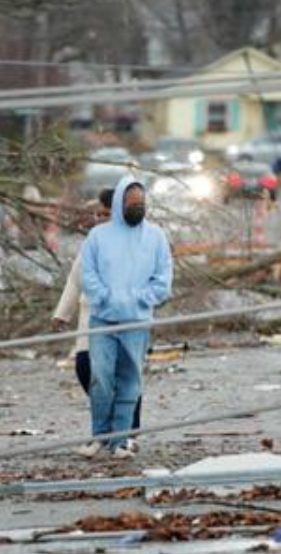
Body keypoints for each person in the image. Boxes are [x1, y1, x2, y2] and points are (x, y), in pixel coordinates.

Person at [78, 176, 172, 459]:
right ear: (120, 203)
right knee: (101, 378)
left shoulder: (155, 236)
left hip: (137, 320)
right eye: (132, 204)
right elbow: (88, 275)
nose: (137, 208)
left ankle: (120, 440)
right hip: (103, 320)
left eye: (141, 204)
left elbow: (163, 279)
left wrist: (140, 299)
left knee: (131, 380)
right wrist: (106, 298)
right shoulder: (98, 236)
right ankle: (100, 435)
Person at [52, 189, 143, 433]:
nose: (101, 219)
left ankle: (128, 431)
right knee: (85, 367)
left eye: (106, 214)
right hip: (89, 317)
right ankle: (107, 426)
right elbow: (75, 278)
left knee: (125, 375)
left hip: (123, 319)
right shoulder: (92, 242)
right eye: (98, 215)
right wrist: (62, 313)